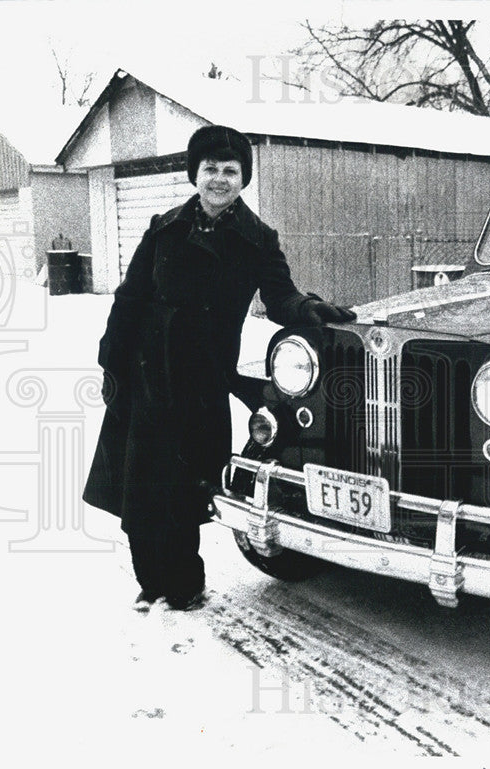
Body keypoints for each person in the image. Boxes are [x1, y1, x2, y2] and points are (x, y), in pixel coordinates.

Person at [83, 125, 355, 612]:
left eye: (230, 171)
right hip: (147, 374)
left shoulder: (256, 239)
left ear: (243, 178)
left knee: (187, 489)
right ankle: (151, 580)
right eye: (210, 169)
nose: (219, 179)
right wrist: (113, 362)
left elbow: (279, 295)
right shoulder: (162, 228)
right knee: (141, 487)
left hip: (202, 381)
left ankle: (185, 584)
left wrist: (309, 308)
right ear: (195, 174)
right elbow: (129, 300)